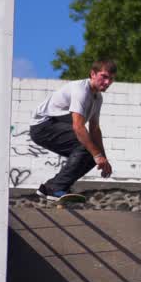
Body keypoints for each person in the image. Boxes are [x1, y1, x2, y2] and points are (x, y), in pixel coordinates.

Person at [29, 60, 116, 200]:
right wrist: (97, 154)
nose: (107, 82)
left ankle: (51, 187)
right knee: (86, 146)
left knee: (92, 154)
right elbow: (78, 127)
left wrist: (103, 158)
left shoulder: (97, 98)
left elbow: (95, 129)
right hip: (43, 126)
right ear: (93, 74)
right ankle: (56, 188)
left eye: (111, 79)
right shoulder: (81, 90)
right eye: (104, 77)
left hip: (54, 126)